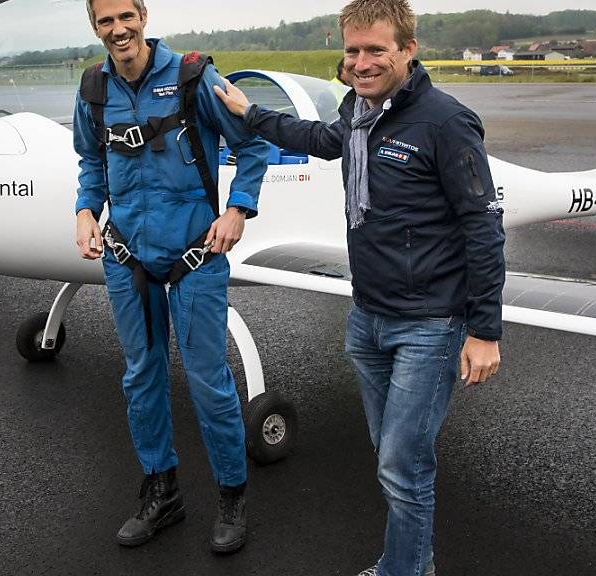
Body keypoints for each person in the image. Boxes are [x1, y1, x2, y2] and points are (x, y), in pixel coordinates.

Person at [214, 0, 504, 574]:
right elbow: (320, 138)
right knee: (392, 459)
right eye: (353, 51)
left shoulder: (446, 122)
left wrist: (485, 331)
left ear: (408, 50)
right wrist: (251, 115)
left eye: (377, 49)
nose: (362, 62)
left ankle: (406, 570)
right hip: (367, 319)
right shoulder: (359, 113)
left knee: (402, 464)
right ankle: (408, 561)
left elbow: (483, 226)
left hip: (430, 324)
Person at [73, 0, 268, 554]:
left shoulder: (192, 77)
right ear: (96, 27)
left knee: (207, 381)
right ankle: (163, 492)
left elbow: (253, 142)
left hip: (195, 257)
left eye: (125, 17)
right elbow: (91, 161)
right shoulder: (93, 90)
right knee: (141, 377)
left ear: (143, 16)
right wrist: (85, 210)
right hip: (127, 256)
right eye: (105, 21)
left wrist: (238, 209)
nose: (118, 30)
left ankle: (231, 494)